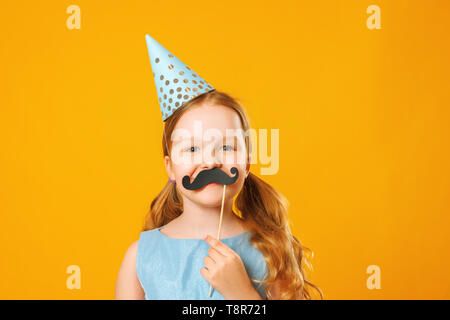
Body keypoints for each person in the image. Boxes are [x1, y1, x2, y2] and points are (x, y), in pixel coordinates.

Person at [115, 35, 322, 300]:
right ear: (170, 168)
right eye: (191, 149)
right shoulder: (140, 257)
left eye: (226, 147)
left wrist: (242, 293)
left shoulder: (271, 249)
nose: (211, 162)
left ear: (247, 162)